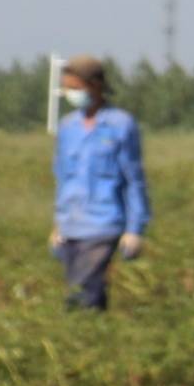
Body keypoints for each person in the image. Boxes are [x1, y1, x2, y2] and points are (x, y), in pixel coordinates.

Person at [49, 55, 149, 310]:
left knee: (83, 291)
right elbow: (62, 179)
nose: (71, 93)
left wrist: (134, 230)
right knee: (84, 294)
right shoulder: (68, 127)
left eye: (75, 88)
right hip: (71, 224)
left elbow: (134, 180)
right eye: (68, 88)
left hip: (103, 223)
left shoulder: (120, 124)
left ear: (94, 85)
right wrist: (57, 225)